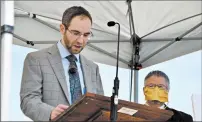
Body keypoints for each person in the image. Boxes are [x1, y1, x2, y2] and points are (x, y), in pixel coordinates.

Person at [20, 6, 104, 121]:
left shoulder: (93, 68)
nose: (80, 40)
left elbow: (100, 107)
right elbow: (28, 101)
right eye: (75, 33)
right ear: (62, 29)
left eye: (86, 35)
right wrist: (51, 113)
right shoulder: (36, 60)